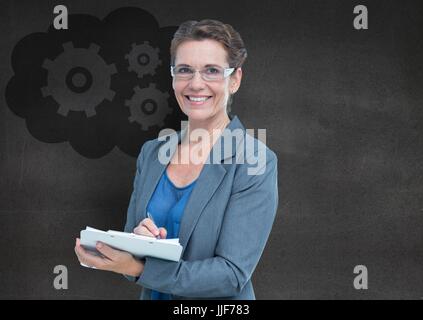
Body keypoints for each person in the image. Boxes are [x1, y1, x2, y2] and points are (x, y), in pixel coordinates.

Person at [75, 19, 278, 300]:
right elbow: (127, 259)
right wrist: (133, 243)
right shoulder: (152, 153)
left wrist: (138, 267)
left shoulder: (255, 161)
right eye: (184, 70)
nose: (196, 84)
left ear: (235, 80)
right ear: (173, 77)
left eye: (211, 71)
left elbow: (231, 276)